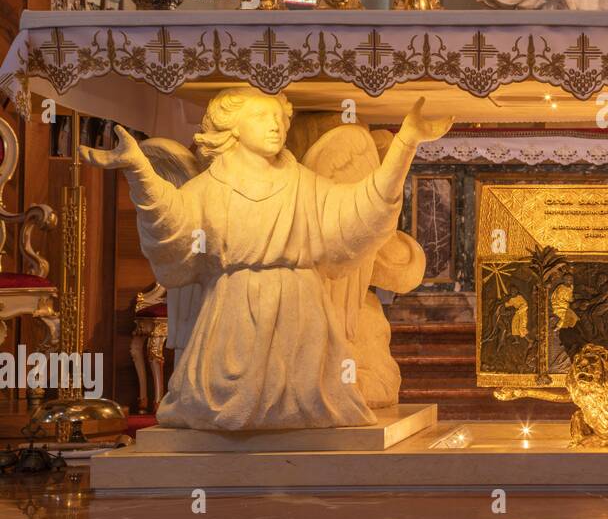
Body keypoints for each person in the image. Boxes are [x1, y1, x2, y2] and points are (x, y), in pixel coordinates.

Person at [81, 88, 451, 430]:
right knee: (220, 409)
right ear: (233, 128)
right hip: (232, 323)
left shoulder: (303, 184)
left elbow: (360, 213)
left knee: (310, 407)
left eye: (280, 117)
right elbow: (172, 231)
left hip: (302, 321)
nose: (276, 124)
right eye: (262, 116)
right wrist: (139, 169)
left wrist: (405, 143)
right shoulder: (209, 188)